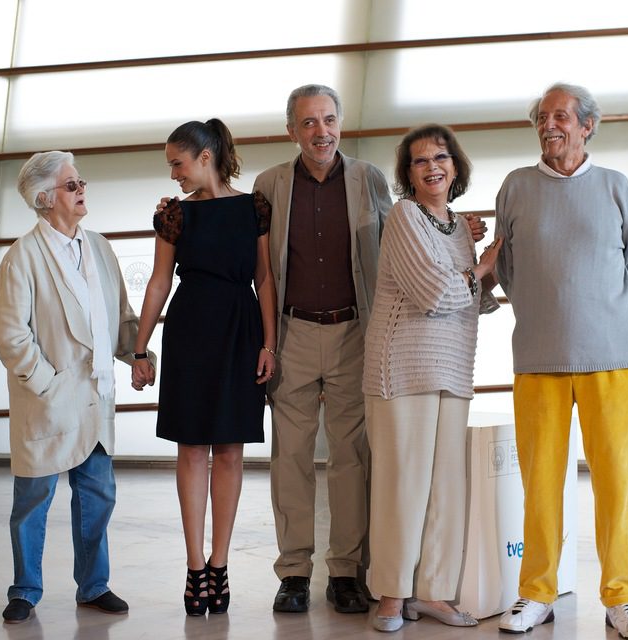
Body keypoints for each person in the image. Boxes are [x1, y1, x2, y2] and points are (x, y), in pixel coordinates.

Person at [493, 83, 628, 639]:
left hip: (611, 357)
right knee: (539, 484)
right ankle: (536, 593)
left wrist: (590, 310)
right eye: (542, 116)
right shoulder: (515, 187)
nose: (549, 124)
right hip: (538, 357)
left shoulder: (615, 187)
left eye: (561, 116)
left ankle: (622, 598)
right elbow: (507, 269)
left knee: (617, 482)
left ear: (587, 126)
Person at [252, 84, 391, 615]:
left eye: (329, 120)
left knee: (351, 456)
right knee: (290, 457)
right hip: (292, 335)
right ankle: (292, 571)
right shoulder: (269, 184)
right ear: (292, 130)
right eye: (309, 123)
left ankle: (346, 571)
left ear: (341, 123)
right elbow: (260, 270)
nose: (321, 132)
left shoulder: (369, 179)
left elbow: (398, 240)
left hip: (355, 332)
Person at [0, 151, 146, 624]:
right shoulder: (22, 257)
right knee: (33, 500)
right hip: (50, 400)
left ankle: (94, 585)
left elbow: (118, 314)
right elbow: (9, 333)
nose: (81, 192)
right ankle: (25, 589)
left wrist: (136, 354)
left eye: (81, 183)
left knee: (98, 496)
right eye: (72, 185)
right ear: (44, 198)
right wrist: (47, 383)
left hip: (96, 396)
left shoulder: (98, 246)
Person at [131, 119, 277, 616]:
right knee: (192, 448)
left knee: (231, 451)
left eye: (178, 162)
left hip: (241, 331)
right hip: (190, 330)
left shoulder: (253, 207)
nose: (173, 173)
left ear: (206, 156)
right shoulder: (174, 216)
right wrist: (139, 347)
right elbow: (157, 283)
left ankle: (220, 563)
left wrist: (271, 344)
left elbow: (265, 278)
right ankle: (195, 567)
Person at [363, 124, 501, 632]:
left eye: (441, 157)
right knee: (403, 486)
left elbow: (476, 301)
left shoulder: (460, 228)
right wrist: (482, 269)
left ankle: (435, 593)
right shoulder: (403, 216)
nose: (433, 167)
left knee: (446, 486)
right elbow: (435, 293)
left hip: (453, 367)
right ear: (408, 174)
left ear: (456, 166)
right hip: (401, 369)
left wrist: (488, 264)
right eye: (420, 161)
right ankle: (393, 596)